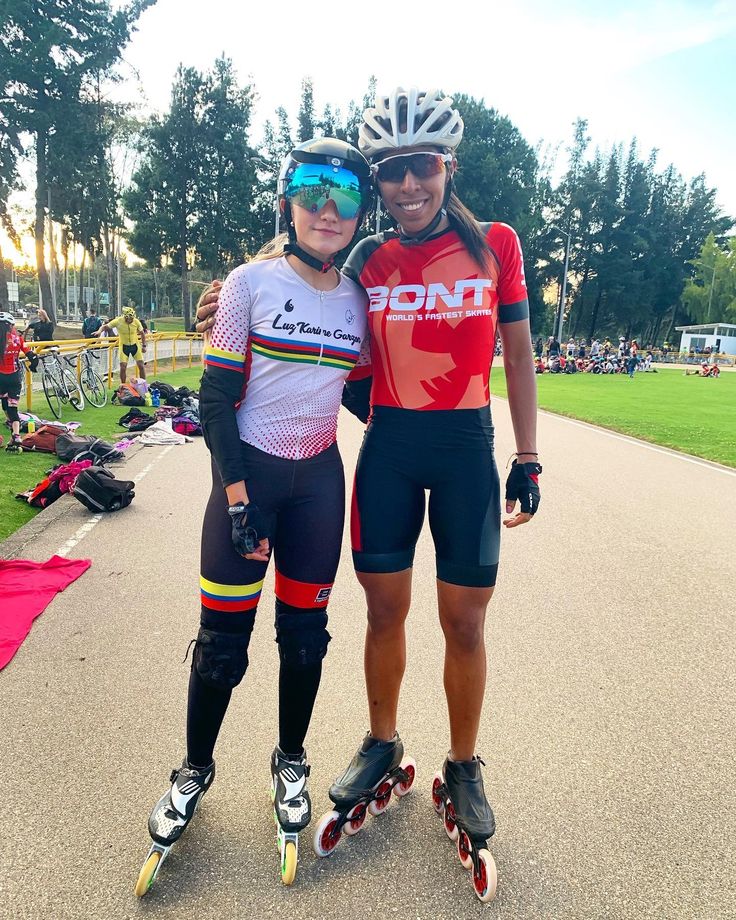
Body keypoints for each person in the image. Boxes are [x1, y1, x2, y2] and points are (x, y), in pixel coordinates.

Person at [198, 88, 539, 901]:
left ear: (446, 168)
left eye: (421, 167)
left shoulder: (497, 245)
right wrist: (222, 292)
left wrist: (528, 454)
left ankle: (463, 765)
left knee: (464, 619)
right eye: (390, 173)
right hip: (387, 451)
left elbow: (520, 355)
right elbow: (299, 266)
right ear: (377, 183)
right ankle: (382, 742)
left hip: (465, 450)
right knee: (385, 613)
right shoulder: (368, 260)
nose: (407, 185)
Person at [136, 137, 374, 894]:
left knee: (305, 642)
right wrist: (237, 496)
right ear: (287, 201)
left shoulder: (359, 299)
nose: (327, 211)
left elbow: (365, 396)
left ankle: (291, 761)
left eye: (343, 196)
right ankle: (194, 768)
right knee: (222, 649)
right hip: (249, 482)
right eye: (312, 191)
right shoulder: (247, 284)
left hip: (318, 485)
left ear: (360, 210)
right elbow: (214, 400)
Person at [0, 313, 38, 452]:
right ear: (10, 325)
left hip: (0, 377)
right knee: (12, 407)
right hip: (14, 377)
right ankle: (16, 436)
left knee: (4, 405)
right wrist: (33, 366)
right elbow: (32, 355)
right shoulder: (18, 338)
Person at [94, 306, 146, 383]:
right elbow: (105, 326)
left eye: (132, 318)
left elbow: (142, 333)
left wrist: (144, 345)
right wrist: (99, 331)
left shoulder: (136, 321)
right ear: (125, 317)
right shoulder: (118, 321)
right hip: (124, 346)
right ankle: (123, 385)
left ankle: (143, 384)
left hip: (135, 345)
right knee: (123, 367)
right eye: (129, 319)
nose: (131, 320)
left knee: (141, 366)